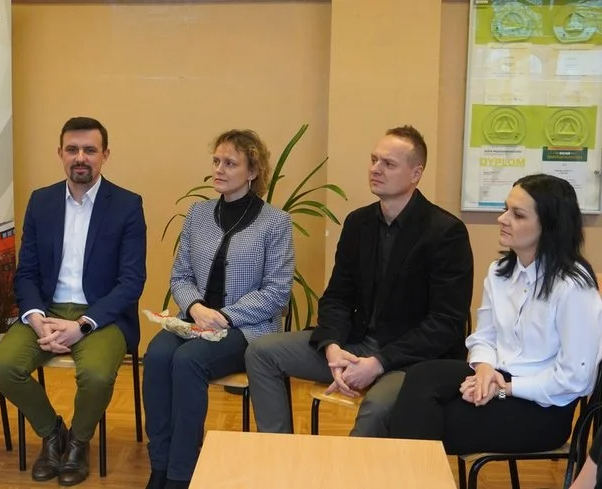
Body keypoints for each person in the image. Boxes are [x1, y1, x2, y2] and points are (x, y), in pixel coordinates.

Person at [245, 125, 474, 437]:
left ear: (416, 173)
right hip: (355, 343)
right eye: (374, 160)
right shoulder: (358, 223)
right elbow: (337, 296)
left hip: (411, 359)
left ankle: (354, 467)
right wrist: (332, 347)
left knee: (377, 408)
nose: (376, 169)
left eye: (388, 164)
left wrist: (378, 363)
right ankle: (279, 454)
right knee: (261, 352)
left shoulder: (445, 232)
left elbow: (445, 323)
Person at [388, 174, 602, 455]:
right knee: (423, 375)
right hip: (499, 379)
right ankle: (408, 471)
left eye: (517, 215)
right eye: (505, 209)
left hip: (543, 408)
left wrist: (505, 389)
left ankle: (403, 471)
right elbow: (484, 337)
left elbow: (575, 379)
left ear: (550, 226)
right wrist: (484, 370)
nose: (502, 219)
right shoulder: (500, 272)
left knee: (423, 419)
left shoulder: (574, 287)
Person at [0, 116, 147, 487]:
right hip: (46, 311)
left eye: (90, 150)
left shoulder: (126, 205)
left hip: (101, 315)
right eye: (72, 149)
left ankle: (78, 441)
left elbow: (131, 281)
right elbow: (26, 272)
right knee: (2, 368)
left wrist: (82, 325)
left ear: (105, 155)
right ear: (60, 153)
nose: (80, 157)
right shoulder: (41, 201)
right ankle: (52, 434)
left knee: (96, 376)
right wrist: (35, 318)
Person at [142, 129, 295, 489]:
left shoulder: (276, 222)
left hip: (245, 329)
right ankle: (159, 465)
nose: (219, 169)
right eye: (216, 161)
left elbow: (276, 293)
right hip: (195, 320)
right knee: (157, 356)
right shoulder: (198, 214)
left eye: (230, 163)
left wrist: (225, 316)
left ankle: (180, 474)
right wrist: (195, 306)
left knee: (187, 362)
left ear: (252, 171)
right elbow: (180, 276)